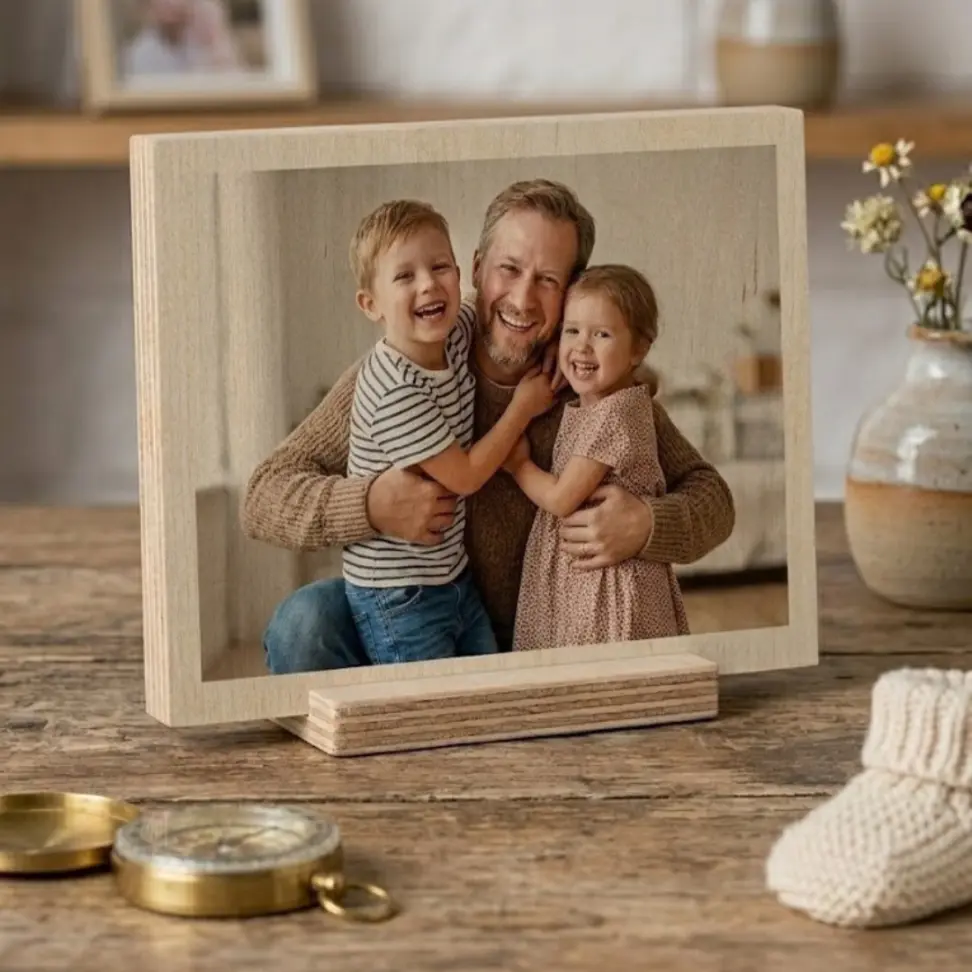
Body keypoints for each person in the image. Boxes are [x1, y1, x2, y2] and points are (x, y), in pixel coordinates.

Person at [240, 178, 736, 673]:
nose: (522, 299)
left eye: (547, 280)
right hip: (415, 607)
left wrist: (647, 523)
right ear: (475, 268)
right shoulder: (413, 360)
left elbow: (713, 497)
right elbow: (263, 495)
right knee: (305, 622)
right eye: (509, 269)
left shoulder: (591, 381)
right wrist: (370, 504)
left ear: (571, 292)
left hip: (549, 628)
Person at [341, 199, 556, 665]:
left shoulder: (455, 331)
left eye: (440, 267)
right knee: (429, 708)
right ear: (370, 304)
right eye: (404, 276)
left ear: (462, 274)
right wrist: (522, 408)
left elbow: (511, 316)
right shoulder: (394, 390)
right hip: (398, 592)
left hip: (450, 577)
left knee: (485, 689)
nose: (428, 284)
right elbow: (463, 478)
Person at [508, 264, 692, 653]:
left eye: (602, 334)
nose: (582, 347)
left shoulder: (617, 413)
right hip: (583, 579)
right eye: (572, 331)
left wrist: (519, 465)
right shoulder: (594, 406)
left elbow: (561, 498)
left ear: (638, 349)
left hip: (608, 585)